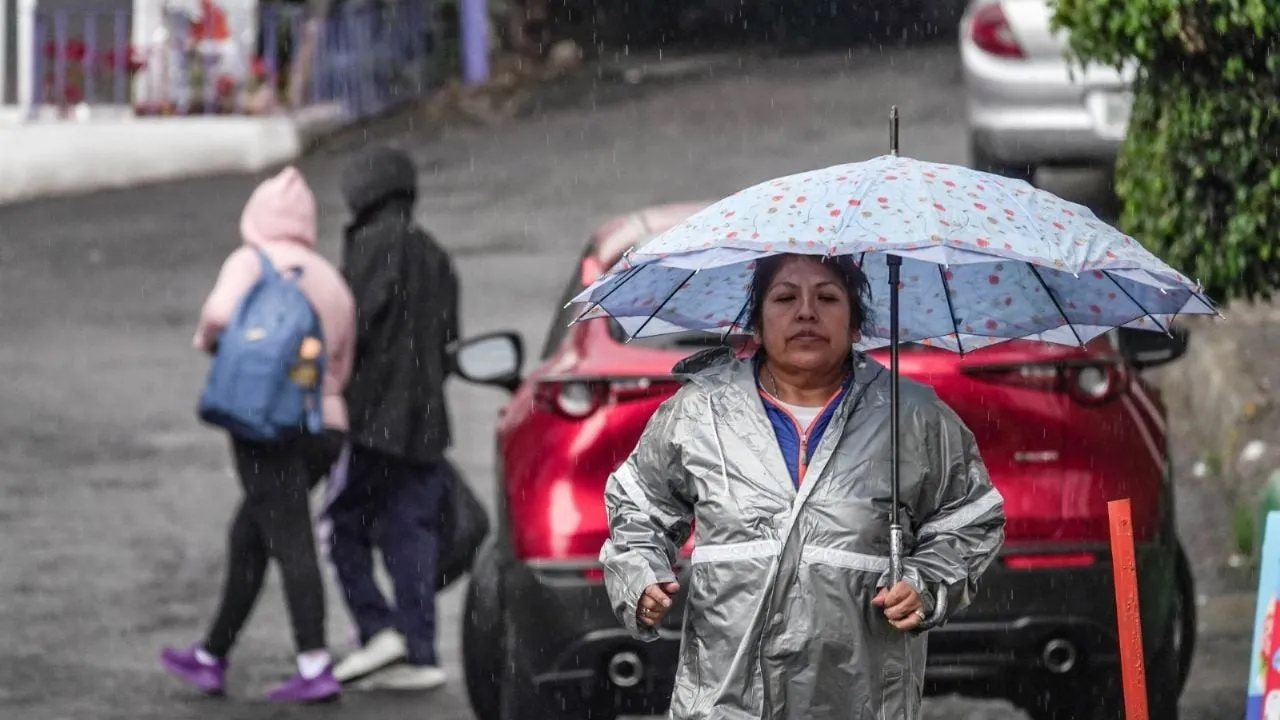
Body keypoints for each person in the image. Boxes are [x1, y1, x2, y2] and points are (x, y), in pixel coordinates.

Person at [599, 253, 1007, 719]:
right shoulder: (700, 411)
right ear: (757, 322)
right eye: (786, 297)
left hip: (864, 701)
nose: (806, 312)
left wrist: (927, 581)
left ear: (857, 325)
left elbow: (971, 520)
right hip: (724, 699)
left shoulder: (913, 416)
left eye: (828, 297)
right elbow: (639, 507)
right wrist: (641, 572)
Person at [160, 166, 356, 703]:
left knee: (289, 536)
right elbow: (342, 362)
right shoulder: (330, 279)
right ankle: (211, 655)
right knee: (251, 534)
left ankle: (315, 664)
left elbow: (218, 317)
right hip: (323, 428)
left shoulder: (251, 262)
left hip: (263, 423)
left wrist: (218, 344)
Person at [326, 146, 460, 690]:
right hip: (426, 423)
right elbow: (449, 339)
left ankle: (377, 627)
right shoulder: (434, 254)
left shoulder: (370, 246)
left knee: (342, 528)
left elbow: (348, 327)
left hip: (373, 417)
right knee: (413, 534)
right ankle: (420, 651)